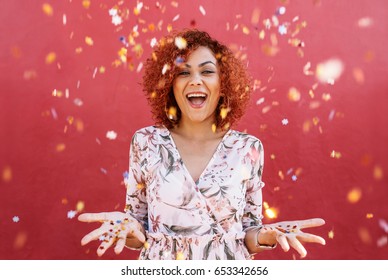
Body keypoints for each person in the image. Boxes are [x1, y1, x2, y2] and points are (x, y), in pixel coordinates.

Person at [78, 29, 326, 260]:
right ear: (170, 85)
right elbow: (138, 230)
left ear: (223, 84)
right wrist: (129, 227)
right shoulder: (146, 142)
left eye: (207, 71)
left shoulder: (248, 149)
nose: (195, 80)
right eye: (183, 72)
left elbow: (248, 232)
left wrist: (267, 236)